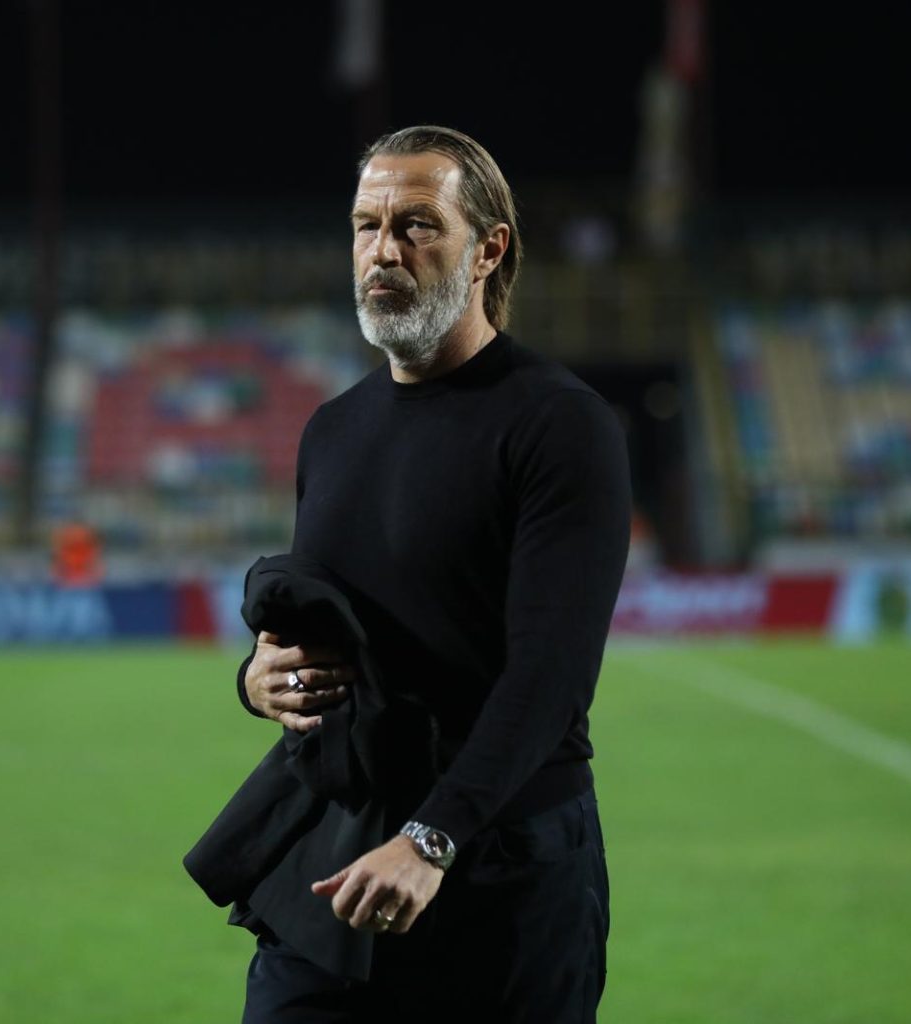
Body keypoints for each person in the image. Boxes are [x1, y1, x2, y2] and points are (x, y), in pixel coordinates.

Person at [235, 125, 630, 1022]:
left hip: (506, 867)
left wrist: (431, 838)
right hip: (340, 853)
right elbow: (331, 630)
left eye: (416, 225)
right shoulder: (332, 431)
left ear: (487, 250)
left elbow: (551, 678)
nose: (383, 250)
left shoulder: (559, 425)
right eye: (366, 226)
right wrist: (259, 681)